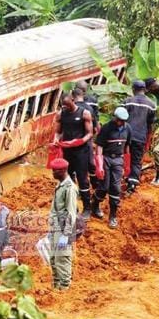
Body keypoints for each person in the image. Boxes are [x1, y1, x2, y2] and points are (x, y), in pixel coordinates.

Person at [54, 92, 94, 218]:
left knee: (83, 180)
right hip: (67, 151)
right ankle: (73, 207)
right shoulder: (61, 114)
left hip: (81, 151)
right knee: (68, 179)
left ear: (73, 100)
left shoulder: (84, 113)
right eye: (63, 105)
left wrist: (78, 141)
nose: (66, 107)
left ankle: (87, 208)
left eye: (67, 105)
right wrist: (56, 139)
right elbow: (58, 132)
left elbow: (90, 133)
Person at [92, 107, 132, 229]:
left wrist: (127, 164)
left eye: (123, 121)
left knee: (115, 188)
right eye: (119, 120)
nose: (121, 122)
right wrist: (99, 163)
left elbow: (127, 147)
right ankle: (94, 205)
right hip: (107, 159)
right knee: (104, 186)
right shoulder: (106, 128)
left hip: (118, 160)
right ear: (114, 118)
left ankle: (113, 216)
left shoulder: (128, 129)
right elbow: (99, 146)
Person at [48, 158, 78, 290]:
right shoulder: (60, 185)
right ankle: (56, 288)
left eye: (55, 171)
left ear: (63, 171)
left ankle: (65, 290)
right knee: (54, 259)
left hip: (63, 229)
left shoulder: (70, 188)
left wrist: (65, 235)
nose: (53, 173)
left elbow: (71, 214)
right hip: (56, 228)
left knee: (62, 259)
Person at [124, 80, 157, 194]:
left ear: (133, 89)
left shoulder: (128, 101)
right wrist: (148, 141)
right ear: (145, 90)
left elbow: (120, 120)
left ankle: (121, 180)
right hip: (140, 137)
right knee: (136, 161)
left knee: (123, 158)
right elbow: (150, 126)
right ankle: (132, 185)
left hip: (125, 136)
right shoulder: (152, 105)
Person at [72, 87, 99, 190]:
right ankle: (93, 185)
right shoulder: (89, 108)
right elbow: (95, 128)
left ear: (73, 97)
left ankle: (74, 187)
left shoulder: (69, 108)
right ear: (83, 95)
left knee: (73, 166)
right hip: (86, 142)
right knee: (90, 164)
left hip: (72, 141)